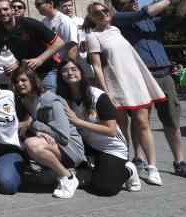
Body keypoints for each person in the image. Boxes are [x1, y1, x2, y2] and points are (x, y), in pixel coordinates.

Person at [110, 0, 186, 181]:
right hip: (141, 76)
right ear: (121, 6)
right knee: (140, 121)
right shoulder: (118, 19)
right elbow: (143, 12)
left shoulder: (149, 22)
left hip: (164, 75)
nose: (136, 2)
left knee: (171, 119)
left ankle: (180, 162)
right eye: (130, 1)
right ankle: (139, 159)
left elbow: (178, 16)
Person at [85, 1, 167, 185]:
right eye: (97, 13)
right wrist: (106, 92)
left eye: (105, 11)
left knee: (143, 123)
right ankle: (125, 164)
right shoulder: (93, 36)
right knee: (121, 128)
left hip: (135, 81)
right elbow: (97, 67)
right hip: (115, 84)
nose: (103, 14)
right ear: (91, 17)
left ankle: (152, 167)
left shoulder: (116, 30)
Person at [56, 58, 141, 196]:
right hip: (88, 146)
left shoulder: (98, 96)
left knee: (104, 188)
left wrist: (77, 121)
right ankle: (92, 168)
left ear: (81, 73)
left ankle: (129, 170)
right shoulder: (63, 98)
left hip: (111, 148)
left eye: (73, 69)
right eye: (64, 71)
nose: (70, 73)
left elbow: (111, 131)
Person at [11, 65, 84, 199]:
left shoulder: (51, 102)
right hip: (53, 143)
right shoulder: (25, 100)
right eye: (16, 82)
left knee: (32, 144)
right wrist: (33, 127)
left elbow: (63, 137)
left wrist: (33, 124)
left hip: (71, 148)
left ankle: (68, 177)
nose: (20, 84)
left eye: (23, 80)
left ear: (33, 80)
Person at [0, 0, 64, 89]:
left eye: (5, 9)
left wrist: (39, 60)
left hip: (48, 69)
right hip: (28, 72)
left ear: (12, 10)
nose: (3, 13)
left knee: (49, 100)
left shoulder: (29, 23)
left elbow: (59, 42)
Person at [36, 0, 79, 65]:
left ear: (51, 4)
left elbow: (73, 46)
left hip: (61, 65)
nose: (37, 7)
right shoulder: (44, 22)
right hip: (48, 64)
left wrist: (68, 67)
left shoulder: (64, 21)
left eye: (39, 4)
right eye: (36, 5)